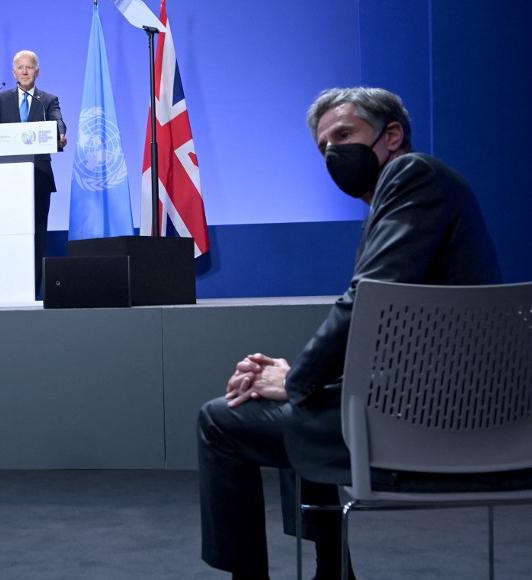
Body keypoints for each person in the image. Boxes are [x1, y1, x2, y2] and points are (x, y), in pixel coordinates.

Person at [196, 87, 501, 580]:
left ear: (392, 135)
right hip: (443, 407)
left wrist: (295, 381)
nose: (333, 153)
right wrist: (298, 377)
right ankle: (331, 570)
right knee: (307, 402)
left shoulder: (411, 174)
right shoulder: (412, 193)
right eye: (323, 148)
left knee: (220, 420)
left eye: (344, 135)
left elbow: (366, 299)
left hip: (432, 422)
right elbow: (388, 323)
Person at [0, 49, 67, 296]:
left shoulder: (47, 100)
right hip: (7, 180)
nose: (24, 71)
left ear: (37, 71)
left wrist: (59, 133)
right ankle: (7, 289)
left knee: (37, 236)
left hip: (39, 178)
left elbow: (58, 122)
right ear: (14, 72)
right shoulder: (1, 100)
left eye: (29, 67)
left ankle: (33, 290)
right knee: (7, 234)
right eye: (20, 67)